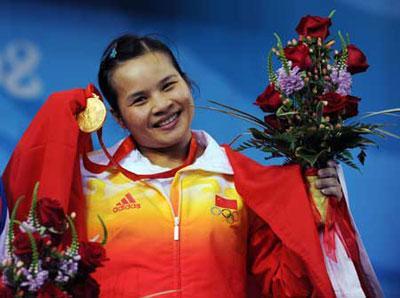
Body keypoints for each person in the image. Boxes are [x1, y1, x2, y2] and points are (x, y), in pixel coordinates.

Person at [1, 34, 382, 297]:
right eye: (139, 99)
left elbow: (283, 289)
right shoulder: (88, 180)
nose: (162, 104)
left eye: (168, 85)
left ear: (187, 82)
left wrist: (314, 216)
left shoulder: (241, 180)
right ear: (117, 117)